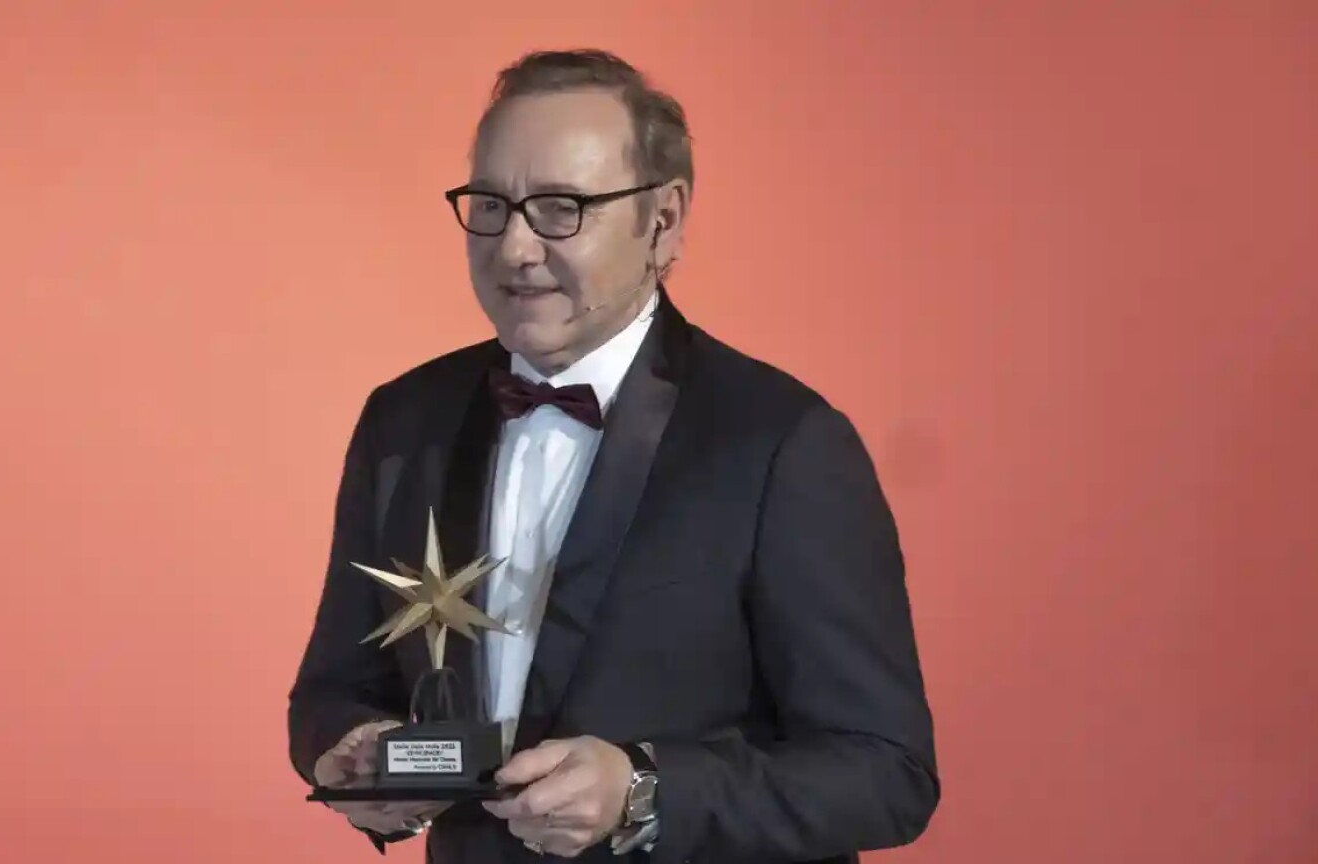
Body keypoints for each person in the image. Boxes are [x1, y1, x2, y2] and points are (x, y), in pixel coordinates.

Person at [287, 48, 940, 864]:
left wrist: (645, 791)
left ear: (662, 220)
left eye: (561, 208)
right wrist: (358, 752)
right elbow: (331, 693)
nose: (514, 247)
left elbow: (886, 773)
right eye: (490, 205)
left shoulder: (784, 442)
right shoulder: (403, 421)